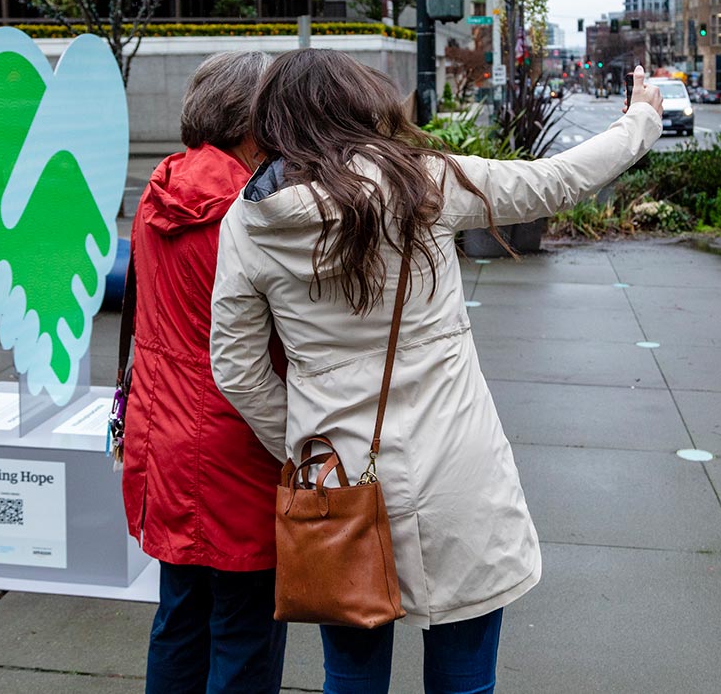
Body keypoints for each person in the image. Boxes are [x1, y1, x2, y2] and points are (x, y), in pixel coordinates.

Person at [210, 52, 663, 693]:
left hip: (334, 477)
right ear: (361, 105)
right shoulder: (426, 182)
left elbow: (236, 368)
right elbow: (556, 180)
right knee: (464, 680)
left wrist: (299, 439)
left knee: (351, 679)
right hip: (457, 467)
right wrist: (640, 120)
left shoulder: (249, 220)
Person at [121, 51, 286, 694]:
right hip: (235, 446)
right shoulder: (248, 212)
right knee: (246, 633)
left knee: (180, 619)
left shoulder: (161, 189)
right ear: (255, 122)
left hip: (162, 436)